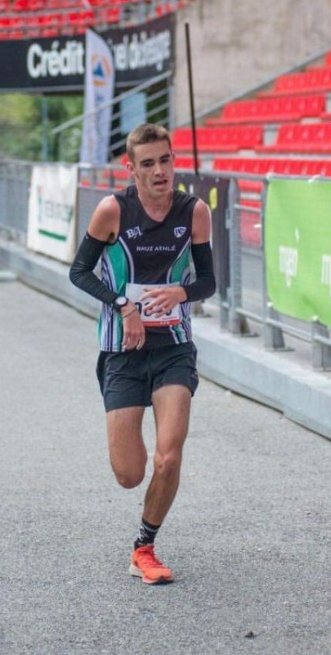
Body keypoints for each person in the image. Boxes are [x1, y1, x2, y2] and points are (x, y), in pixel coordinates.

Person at [69, 123, 216, 584]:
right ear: (131, 168)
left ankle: (144, 547)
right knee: (129, 474)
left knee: (168, 457)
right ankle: (137, 459)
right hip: (123, 350)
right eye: (148, 163)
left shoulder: (194, 212)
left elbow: (208, 282)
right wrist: (122, 305)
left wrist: (181, 292)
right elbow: (79, 271)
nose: (159, 171)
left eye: (165, 160)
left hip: (173, 348)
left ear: (174, 161)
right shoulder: (112, 210)